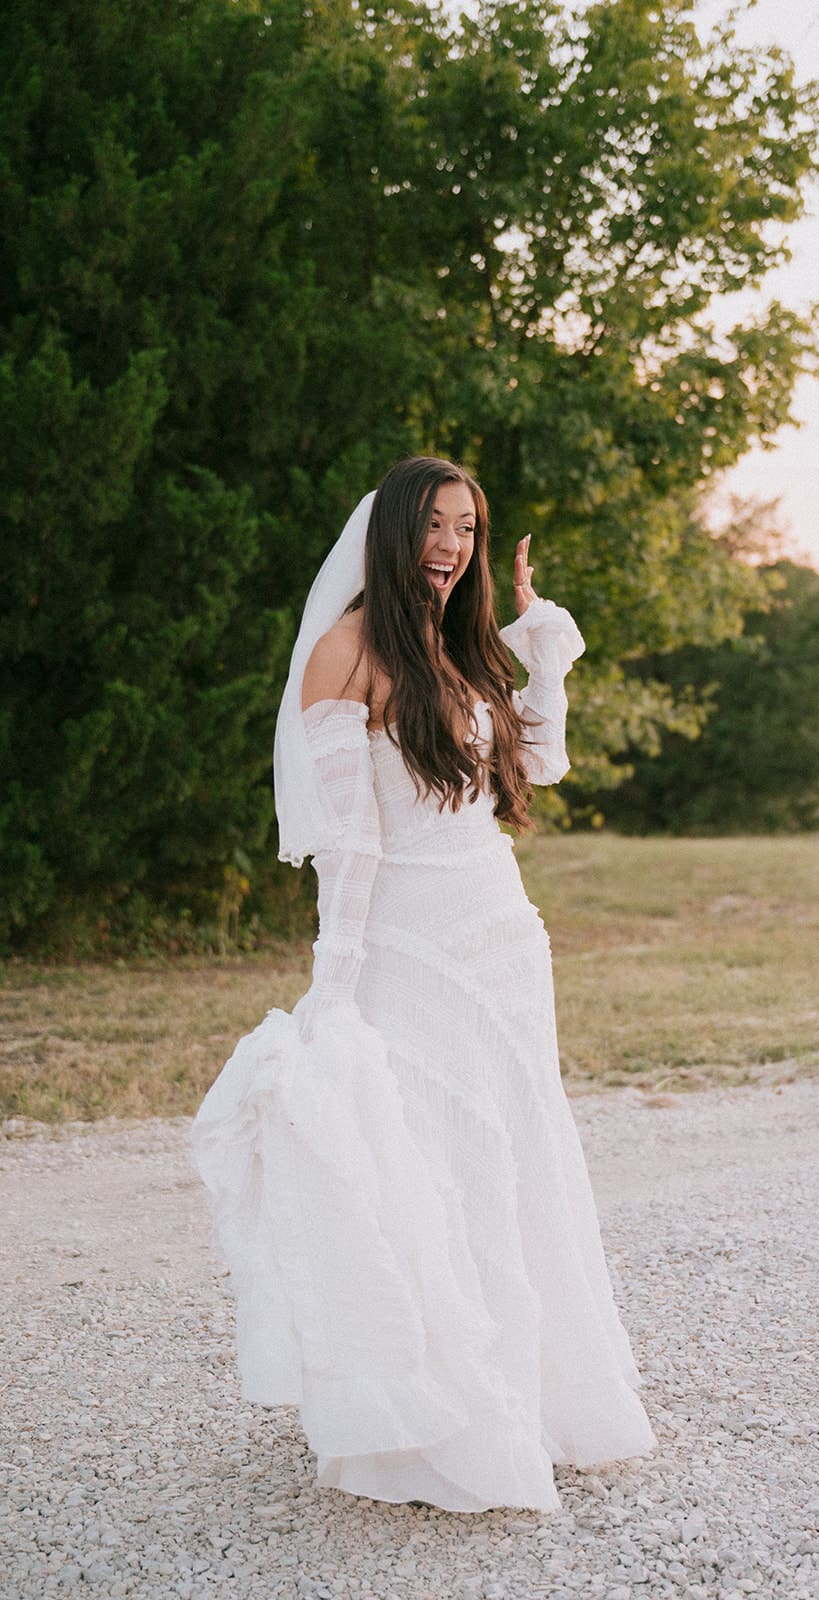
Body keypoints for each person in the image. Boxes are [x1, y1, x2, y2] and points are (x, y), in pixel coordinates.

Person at [189, 456, 655, 1513]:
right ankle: (437, 1410)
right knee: (435, 1163)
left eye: (467, 527)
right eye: (435, 524)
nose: (451, 544)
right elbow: (348, 847)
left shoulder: (454, 650)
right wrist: (332, 989)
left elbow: (531, 769)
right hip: (408, 947)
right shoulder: (345, 653)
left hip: (500, 933)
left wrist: (541, 649)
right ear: (395, 532)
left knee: (517, 1148)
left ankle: (528, 1393)